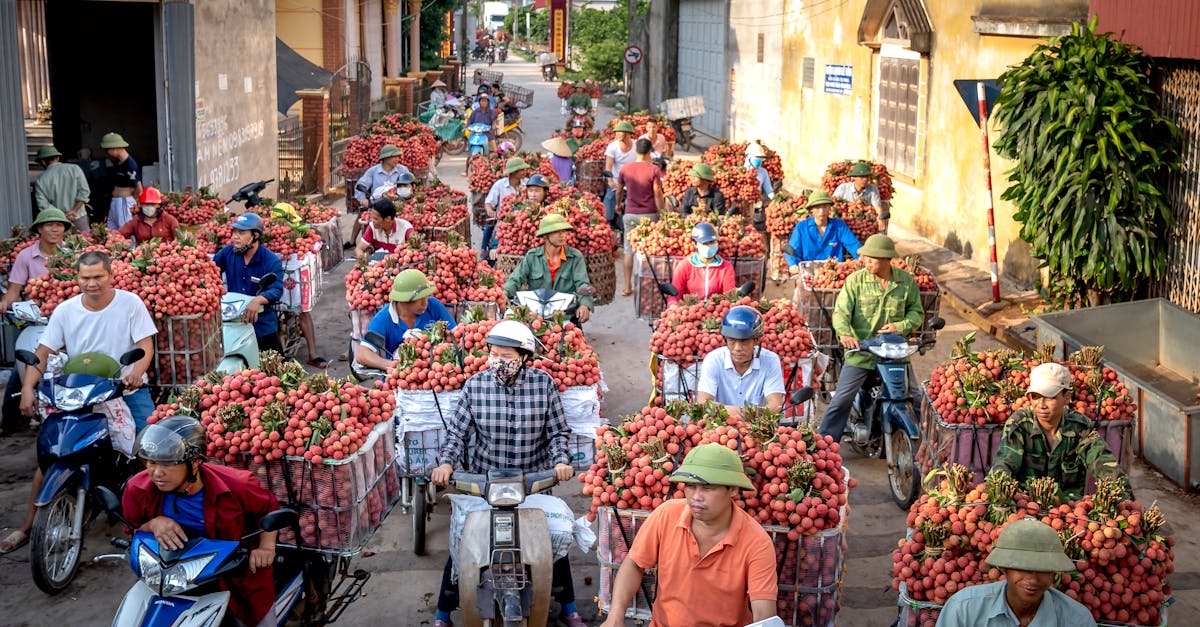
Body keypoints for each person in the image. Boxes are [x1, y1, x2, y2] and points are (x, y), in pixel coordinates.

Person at [1, 250, 157, 556]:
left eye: (98, 276)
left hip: (124, 389)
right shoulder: (65, 311)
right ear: (77, 278)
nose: (92, 283)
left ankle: (156, 518)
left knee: (151, 450)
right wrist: (29, 387)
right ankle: (26, 526)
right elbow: (43, 353)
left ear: (111, 275)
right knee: (52, 455)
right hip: (79, 392)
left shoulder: (130, 304)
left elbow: (144, 346)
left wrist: (136, 374)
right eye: (85, 277)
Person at [430, 321, 583, 627]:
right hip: (484, 486)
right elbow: (456, 435)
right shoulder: (475, 386)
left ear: (524, 357)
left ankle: (569, 607)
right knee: (463, 544)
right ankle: (442, 613)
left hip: (533, 485)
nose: (498, 360)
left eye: (506, 355)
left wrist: (561, 461)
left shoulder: (544, 385)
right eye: (493, 353)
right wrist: (446, 463)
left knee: (555, 543)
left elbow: (557, 434)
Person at [122, 416, 281, 627]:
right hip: (172, 576)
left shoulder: (237, 486)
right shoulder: (137, 488)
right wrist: (152, 524)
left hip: (236, 576)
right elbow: (133, 529)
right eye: (151, 463)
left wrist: (266, 548)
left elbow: (268, 508)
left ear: (195, 461)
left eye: (168, 464)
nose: (157, 473)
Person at [600, 443, 779, 627]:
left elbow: (763, 614)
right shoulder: (666, 515)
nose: (696, 497)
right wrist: (615, 615)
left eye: (707, 488)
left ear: (733, 489)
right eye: (690, 487)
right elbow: (634, 564)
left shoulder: (757, 542)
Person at [816, 234, 924, 443]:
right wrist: (845, 334)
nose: (866, 262)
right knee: (841, 400)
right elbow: (841, 313)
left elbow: (916, 312)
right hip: (862, 351)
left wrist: (900, 326)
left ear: (886, 260)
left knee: (915, 398)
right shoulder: (856, 281)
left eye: (872, 259)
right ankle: (823, 446)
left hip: (893, 354)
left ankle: (923, 448)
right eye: (865, 258)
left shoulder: (905, 282)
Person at [989, 362, 1132, 502]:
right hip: (1026, 506)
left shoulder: (1079, 427)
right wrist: (998, 491)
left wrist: (1125, 499)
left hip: (1069, 509)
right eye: (1036, 397)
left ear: (1066, 398)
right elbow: (1004, 463)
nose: (1041, 405)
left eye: (1050, 397)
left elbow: (1102, 461)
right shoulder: (1020, 424)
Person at [935, 518, 1097, 627]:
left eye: (1043, 569)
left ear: (1053, 573)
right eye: (1022, 567)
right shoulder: (963, 610)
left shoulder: (1078, 620)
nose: (1033, 579)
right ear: (1004, 567)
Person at [0, 208, 71, 431]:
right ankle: (11, 420)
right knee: (25, 364)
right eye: (49, 225)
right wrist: (5, 303)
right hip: (38, 320)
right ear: (39, 229)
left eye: (59, 225)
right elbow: (14, 289)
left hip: (67, 319)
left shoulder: (70, 254)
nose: (54, 229)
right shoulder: (26, 256)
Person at [212, 213, 286, 353]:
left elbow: (276, 289)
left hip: (262, 323)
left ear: (255, 236)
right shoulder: (228, 253)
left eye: (241, 232)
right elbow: (211, 270)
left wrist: (258, 300)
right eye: (234, 232)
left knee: (275, 365)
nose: (235, 236)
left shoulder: (270, 260)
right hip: (233, 320)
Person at [356, 269, 456, 370]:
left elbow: (455, 334)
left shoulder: (434, 306)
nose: (425, 303)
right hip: (401, 378)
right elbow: (362, 354)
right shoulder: (383, 319)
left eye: (426, 297)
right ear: (403, 300)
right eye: (419, 299)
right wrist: (395, 366)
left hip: (435, 371)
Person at [503, 214, 594, 325]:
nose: (562, 235)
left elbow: (582, 283)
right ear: (545, 236)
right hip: (536, 317)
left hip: (566, 315)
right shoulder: (532, 257)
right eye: (556, 231)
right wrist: (505, 294)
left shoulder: (575, 257)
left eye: (564, 231)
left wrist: (584, 304)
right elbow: (515, 279)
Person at [696, 306, 785, 416]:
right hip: (720, 428)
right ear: (725, 339)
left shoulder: (770, 361)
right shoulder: (713, 359)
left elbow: (776, 406)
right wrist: (746, 413)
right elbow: (703, 403)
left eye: (744, 341)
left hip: (756, 427)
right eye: (732, 340)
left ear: (756, 340)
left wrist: (733, 413)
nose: (737, 348)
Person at [617, 138, 665, 297]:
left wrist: (618, 205)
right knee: (649, 251)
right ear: (650, 152)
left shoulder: (625, 168)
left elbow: (619, 190)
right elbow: (657, 194)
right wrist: (662, 212)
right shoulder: (654, 170)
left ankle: (627, 286)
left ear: (636, 151)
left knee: (628, 250)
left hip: (630, 214)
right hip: (649, 215)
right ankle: (648, 287)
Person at [352, 144, 413, 247]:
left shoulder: (402, 170)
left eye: (398, 157)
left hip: (399, 203)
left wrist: (408, 191)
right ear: (386, 158)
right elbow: (361, 185)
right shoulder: (373, 171)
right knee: (363, 216)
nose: (397, 159)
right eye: (394, 157)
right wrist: (362, 198)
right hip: (377, 204)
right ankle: (352, 240)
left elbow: (410, 184)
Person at [784, 190, 860, 268]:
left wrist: (861, 258)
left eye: (825, 206)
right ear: (811, 209)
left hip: (834, 270)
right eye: (817, 207)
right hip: (808, 270)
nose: (822, 211)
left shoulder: (839, 226)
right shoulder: (802, 227)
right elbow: (792, 249)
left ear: (830, 208)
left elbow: (853, 245)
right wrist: (793, 265)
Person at [667, 222, 735, 307]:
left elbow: (729, 296)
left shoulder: (726, 267)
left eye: (712, 242)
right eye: (704, 243)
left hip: (715, 312)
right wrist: (673, 306)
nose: (709, 246)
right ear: (696, 244)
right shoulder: (685, 266)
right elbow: (674, 295)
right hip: (690, 311)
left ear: (717, 242)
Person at [33, 145, 91, 231]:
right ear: (57, 158)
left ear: (43, 162)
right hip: (79, 217)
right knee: (86, 242)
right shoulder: (74, 169)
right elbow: (84, 192)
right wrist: (74, 211)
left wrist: (62, 216)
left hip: (59, 222)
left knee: (62, 244)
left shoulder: (40, 180)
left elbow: (43, 205)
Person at [483, 157, 529, 261]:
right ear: (513, 172)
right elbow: (488, 202)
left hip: (522, 225)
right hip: (504, 225)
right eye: (522, 169)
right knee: (493, 254)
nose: (525, 171)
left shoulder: (527, 184)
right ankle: (484, 252)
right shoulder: (500, 185)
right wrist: (490, 210)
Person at [832, 162, 889, 233]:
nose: (865, 179)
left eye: (867, 177)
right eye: (862, 177)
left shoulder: (872, 189)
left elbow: (878, 207)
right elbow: (833, 205)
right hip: (844, 222)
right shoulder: (843, 188)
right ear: (854, 177)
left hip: (863, 225)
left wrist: (881, 219)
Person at [101, 132, 142, 230]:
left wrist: (134, 203)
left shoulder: (130, 165)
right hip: (116, 201)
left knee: (124, 230)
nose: (106, 153)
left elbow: (138, 188)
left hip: (124, 201)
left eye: (107, 150)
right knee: (112, 230)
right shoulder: (118, 162)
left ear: (114, 148)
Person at [603, 121, 638, 224]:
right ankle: (608, 224)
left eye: (621, 133)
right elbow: (608, 167)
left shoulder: (636, 146)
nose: (618, 135)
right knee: (608, 204)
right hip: (616, 183)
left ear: (628, 134)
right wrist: (610, 181)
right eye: (617, 133)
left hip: (633, 184)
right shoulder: (612, 147)